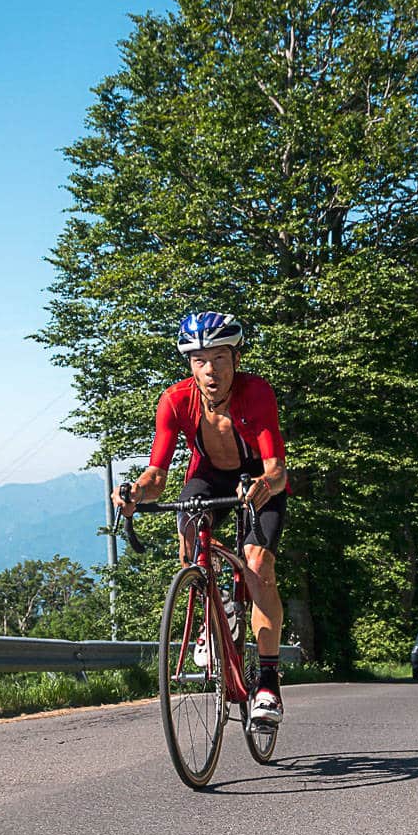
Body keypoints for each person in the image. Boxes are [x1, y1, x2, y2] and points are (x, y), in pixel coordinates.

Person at [114, 310, 289, 724]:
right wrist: (135, 492)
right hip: (208, 477)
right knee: (190, 540)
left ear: (236, 359)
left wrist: (264, 485)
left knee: (258, 563)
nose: (210, 370)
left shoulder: (256, 393)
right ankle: (215, 609)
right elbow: (157, 475)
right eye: (199, 360)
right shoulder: (175, 401)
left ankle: (267, 683)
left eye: (219, 359)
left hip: (255, 478)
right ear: (189, 364)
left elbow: (277, 469)